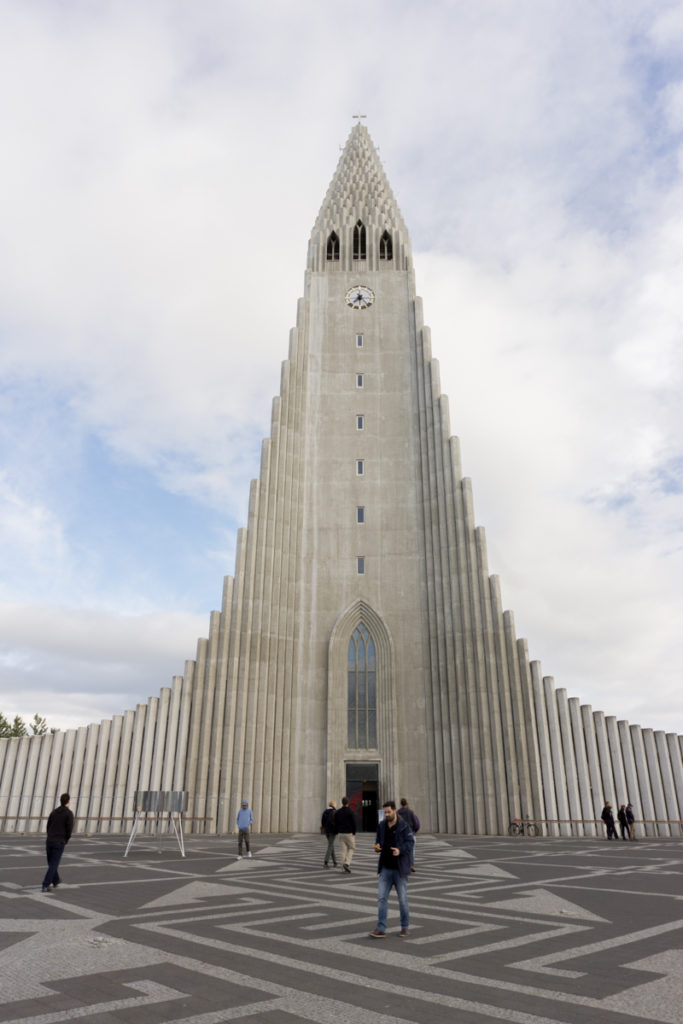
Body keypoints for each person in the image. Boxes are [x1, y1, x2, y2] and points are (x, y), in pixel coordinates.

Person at [370, 800, 413, 938]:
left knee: (402, 899)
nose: (387, 814)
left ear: (395, 811)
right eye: (385, 812)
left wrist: (400, 850)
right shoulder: (381, 826)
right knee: (381, 898)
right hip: (385, 868)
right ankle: (381, 928)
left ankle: (405, 927)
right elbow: (378, 841)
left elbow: (410, 843)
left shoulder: (404, 826)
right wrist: (377, 847)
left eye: (389, 812)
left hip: (399, 869)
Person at [41, 793, 74, 893]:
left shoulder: (54, 812)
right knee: (54, 864)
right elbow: (69, 828)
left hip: (50, 840)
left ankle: (56, 880)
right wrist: (66, 839)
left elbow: (48, 825)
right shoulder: (69, 813)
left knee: (51, 863)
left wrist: (49, 835)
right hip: (59, 841)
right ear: (68, 802)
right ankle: (45, 884)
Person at [334, 796, 356, 873]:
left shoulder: (338, 812)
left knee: (343, 851)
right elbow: (353, 823)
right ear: (348, 802)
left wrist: (337, 831)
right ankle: (347, 863)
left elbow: (335, 822)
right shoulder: (350, 811)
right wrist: (354, 832)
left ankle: (343, 868)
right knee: (352, 848)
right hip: (349, 833)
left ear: (342, 802)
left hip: (340, 833)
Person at [397, 797, 420, 872]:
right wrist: (414, 831)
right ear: (406, 803)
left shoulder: (397, 812)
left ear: (400, 804)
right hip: (410, 833)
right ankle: (411, 865)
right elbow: (416, 823)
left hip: (401, 834)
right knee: (411, 850)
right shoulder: (410, 812)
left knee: (401, 849)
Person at [321, 800, 338, 868]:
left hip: (326, 831)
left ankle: (335, 862)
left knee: (331, 845)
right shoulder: (334, 812)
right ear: (334, 805)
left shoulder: (325, 812)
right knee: (330, 845)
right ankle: (326, 862)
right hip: (332, 831)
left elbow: (322, 822)